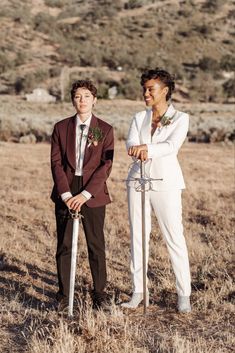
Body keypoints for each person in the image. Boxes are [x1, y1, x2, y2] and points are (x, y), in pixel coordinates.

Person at [121, 68, 191, 312]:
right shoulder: (138, 118)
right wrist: (137, 148)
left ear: (165, 91)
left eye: (151, 89)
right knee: (138, 236)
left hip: (166, 183)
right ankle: (138, 291)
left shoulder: (181, 118)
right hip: (137, 181)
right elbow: (130, 142)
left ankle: (184, 295)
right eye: (144, 89)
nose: (146, 93)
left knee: (174, 238)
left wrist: (146, 149)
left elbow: (171, 146)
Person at [51, 79, 114, 311]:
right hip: (66, 187)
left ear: (95, 100)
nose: (82, 100)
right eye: (78, 96)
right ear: (72, 100)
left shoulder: (105, 129)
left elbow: (106, 166)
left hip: (93, 192)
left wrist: (85, 194)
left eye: (87, 96)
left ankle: (99, 294)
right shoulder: (61, 127)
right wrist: (66, 194)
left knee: (96, 244)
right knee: (65, 244)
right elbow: (56, 164)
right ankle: (64, 293)